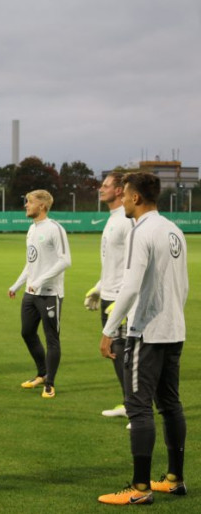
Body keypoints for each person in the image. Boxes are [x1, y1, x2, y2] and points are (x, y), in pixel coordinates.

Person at [97, 172, 188, 505]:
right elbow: (184, 285)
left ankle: (139, 490)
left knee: (139, 409)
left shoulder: (141, 231)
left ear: (135, 198)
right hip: (174, 330)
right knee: (170, 405)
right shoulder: (174, 230)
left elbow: (131, 285)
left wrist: (110, 330)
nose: (121, 201)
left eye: (125, 196)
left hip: (146, 332)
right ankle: (175, 479)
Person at [8, 189, 71, 399]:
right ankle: (41, 374)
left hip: (50, 294)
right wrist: (17, 285)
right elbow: (31, 262)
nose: (26, 205)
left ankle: (50, 384)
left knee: (52, 338)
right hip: (31, 294)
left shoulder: (55, 229)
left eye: (29, 202)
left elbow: (65, 260)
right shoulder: (31, 229)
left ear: (42, 206)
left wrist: (40, 281)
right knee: (27, 333)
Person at [84, 172, 134, 419]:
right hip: (109, 295)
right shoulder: (113, 218)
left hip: (120, 300)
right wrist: (99, 286)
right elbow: (112, 263)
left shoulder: (126, 220)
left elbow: (133, 265)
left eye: (105, 186)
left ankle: (137, 411)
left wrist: (124, 301)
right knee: (116, 354)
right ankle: (129, 404)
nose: (100, 189)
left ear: (118, 190)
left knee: (126, 355)